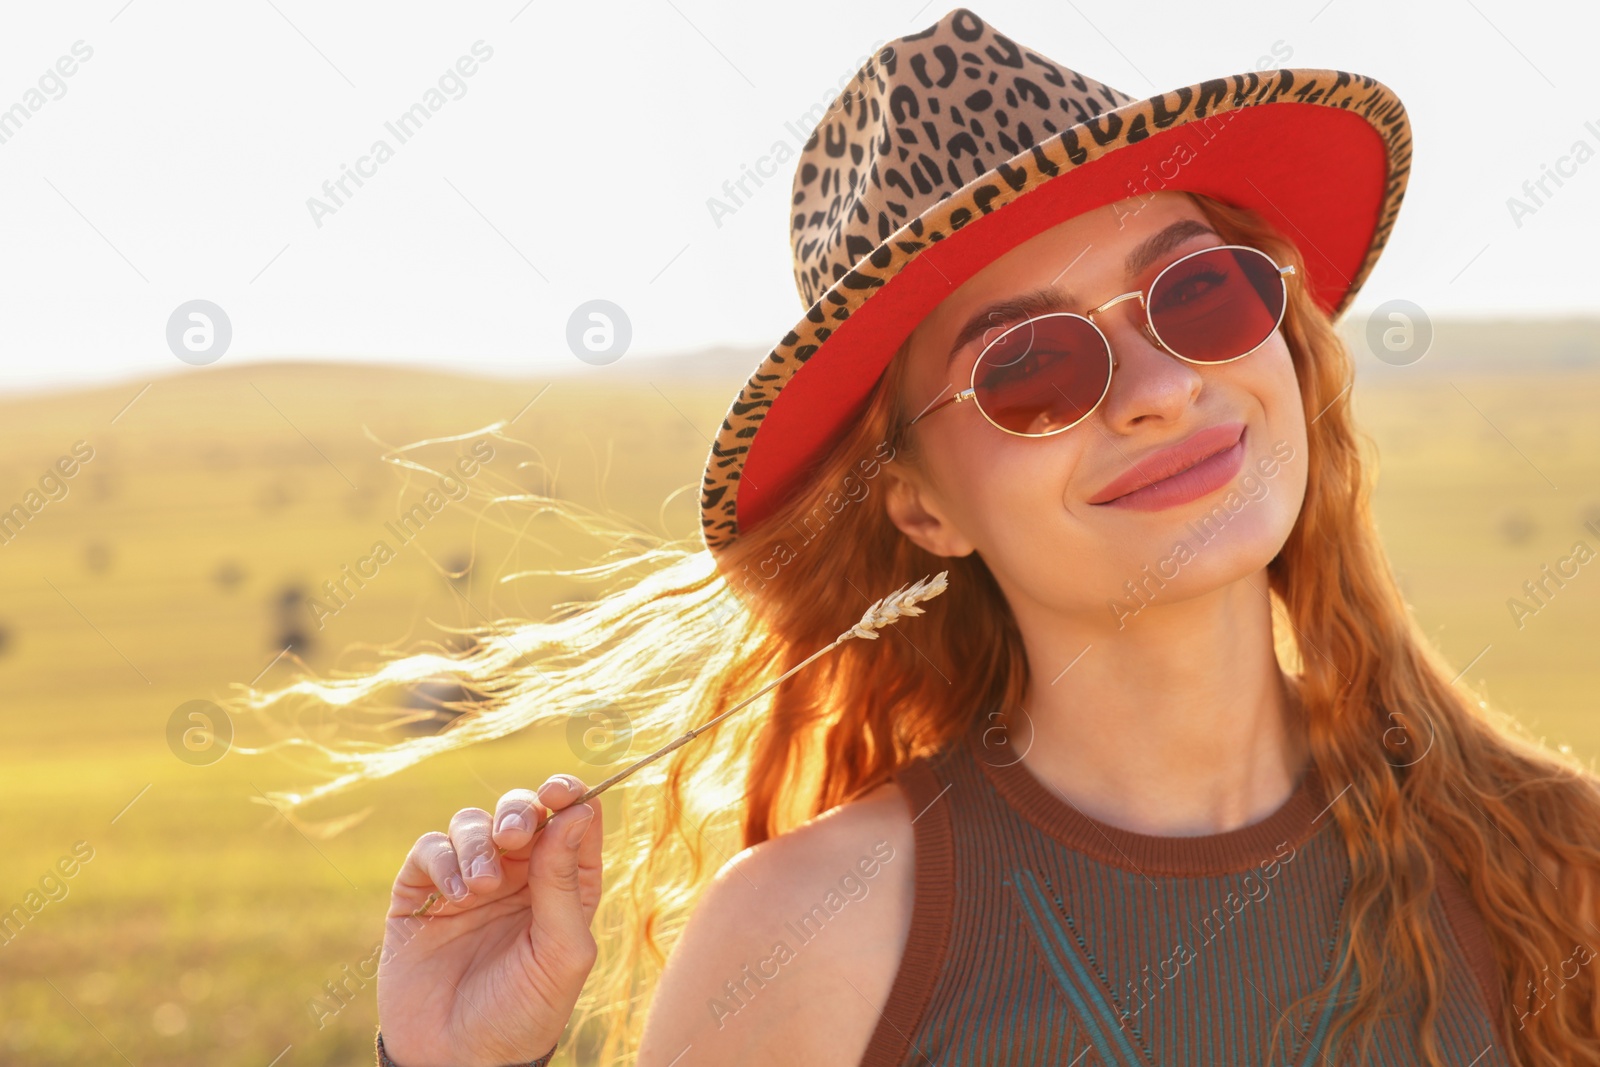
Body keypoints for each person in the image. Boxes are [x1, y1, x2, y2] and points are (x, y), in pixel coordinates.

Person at [243, 8, 1600, 1066]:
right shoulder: (816, 943)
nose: (1163, 389)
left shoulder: (1557, 865)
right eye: (1031, 372)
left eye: (1196, 292)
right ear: (922, 505)